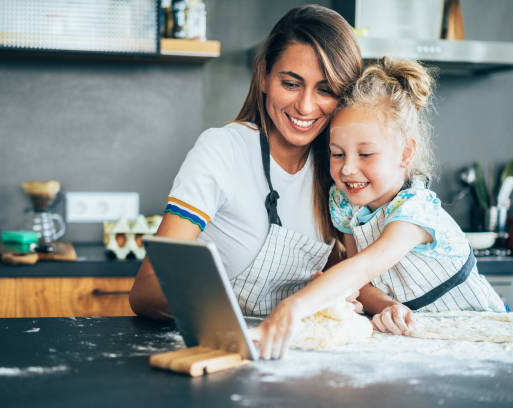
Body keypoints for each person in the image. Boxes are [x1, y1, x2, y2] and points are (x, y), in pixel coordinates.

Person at [255, 57, 506, 359]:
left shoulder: (416, 211)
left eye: (365, 154)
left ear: (406, 152)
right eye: (337, 154)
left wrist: (291, 307)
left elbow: (361, 267)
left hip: (484, 333)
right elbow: (361, 282)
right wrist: (389, 307)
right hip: (426, 340)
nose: (348, 168)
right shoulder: (346, 205)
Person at [129, 5, 363, 320]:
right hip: (217, 349)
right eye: (291, 84)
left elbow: (343, 280)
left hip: (293, 356)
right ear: (264, 76)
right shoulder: (223, 150)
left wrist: (337, 298)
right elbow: (146, 289)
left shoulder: (338, 172)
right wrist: (225, 314)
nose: (306, 106)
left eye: (325, 90)